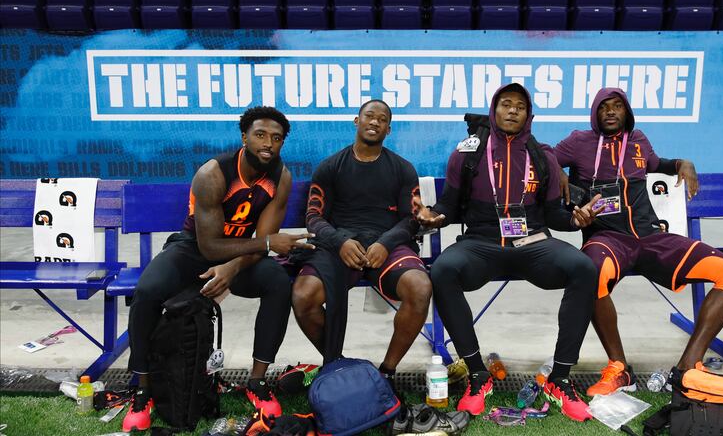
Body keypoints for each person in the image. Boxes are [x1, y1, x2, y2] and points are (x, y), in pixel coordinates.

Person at [417, 83, 601, 422]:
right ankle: (478, 375)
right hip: (482, 242)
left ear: (529, 114)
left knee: (584, 268)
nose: (512, 110)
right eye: (505, 104)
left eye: (520, 106)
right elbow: (450, 205)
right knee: (443, 269)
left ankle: (560, 379)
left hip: (532, 242)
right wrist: (434, 216)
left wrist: (575, 220)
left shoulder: (543, 155)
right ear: (494, 110)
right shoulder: (467, 152)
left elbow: (554, 216)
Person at [123, 107, 314, 432]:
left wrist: (233, 268)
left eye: (276, 138)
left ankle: (256, 382)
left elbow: (262, 240)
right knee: (147, 292)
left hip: (241, 256)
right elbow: (211, 246)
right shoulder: (213, 174)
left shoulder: (280, 177)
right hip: (193, 249)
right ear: (244, 137)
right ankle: (142, 390)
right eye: (260, 135)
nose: (268, 143)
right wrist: (267, 245)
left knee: (278, 283)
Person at [553, 87, 723, 397]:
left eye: (618, 106)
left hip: (650, 237)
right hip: (607, 239)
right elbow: (543, 154)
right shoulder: (580, 141)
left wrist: (683, 163)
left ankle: (687, 369)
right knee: (588, 273)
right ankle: (619, 368)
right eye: (604, 108)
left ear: (627, 112)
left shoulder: (639, 140)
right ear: (595, 114)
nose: (611, 112)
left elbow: (657, 163)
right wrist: (556, 172)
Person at [289, 99, 432, 392]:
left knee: (420, 287)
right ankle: (338, 364)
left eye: (382, 119)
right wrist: (340, 242)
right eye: (369, 116)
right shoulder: (330, 167)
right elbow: (313, 218)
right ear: (357, 121)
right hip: (341, 246)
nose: (375, 122)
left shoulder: (403, 169)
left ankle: (387, 372)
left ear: (388, 129)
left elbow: (411, 220)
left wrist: (385, 242)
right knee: (303, 296)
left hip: (387, 245)